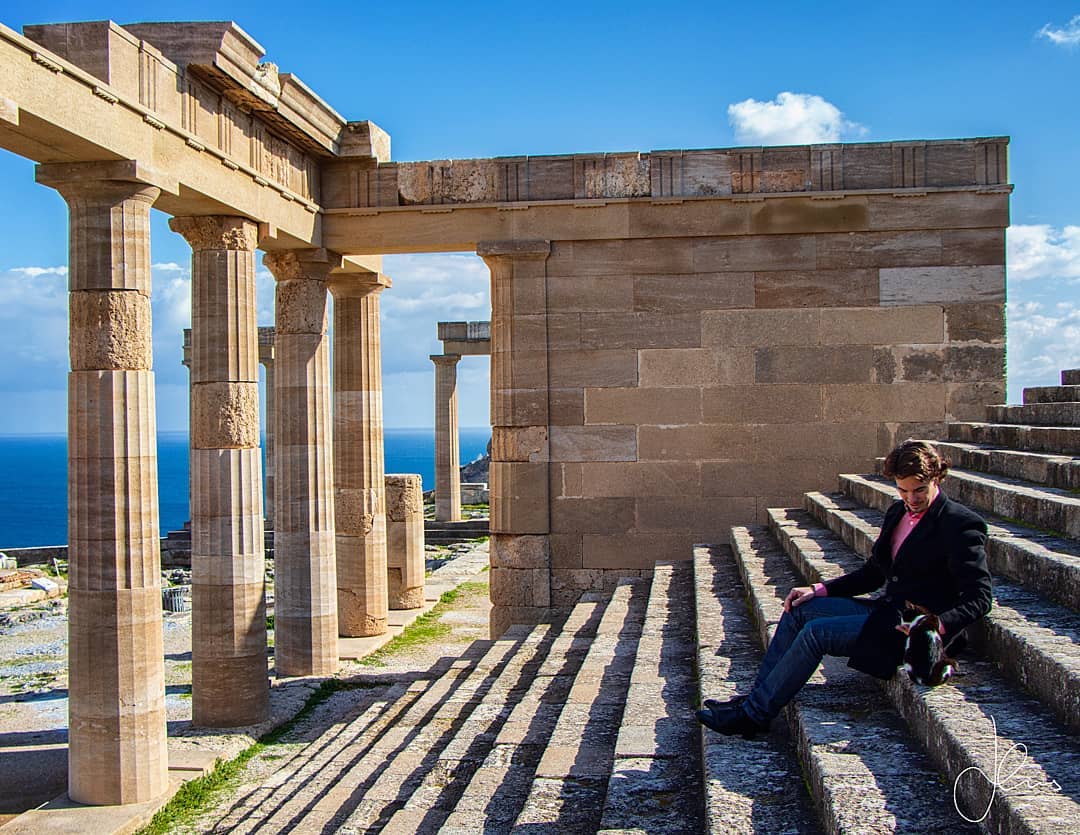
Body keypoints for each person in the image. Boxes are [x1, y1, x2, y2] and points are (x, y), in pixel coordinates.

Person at [697, 439, 993, 737]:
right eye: (903, 489)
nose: (911, 498)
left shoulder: (961, 524)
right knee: (801, 609)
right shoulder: (897, 513)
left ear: (936, 479)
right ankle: (753, 700)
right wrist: (818, 590)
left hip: (911, 633)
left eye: (919, 490)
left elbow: (979, 598)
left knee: (817, 633)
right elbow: (874, 574)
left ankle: (754, 716)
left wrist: (934, 626)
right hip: (886, 612)